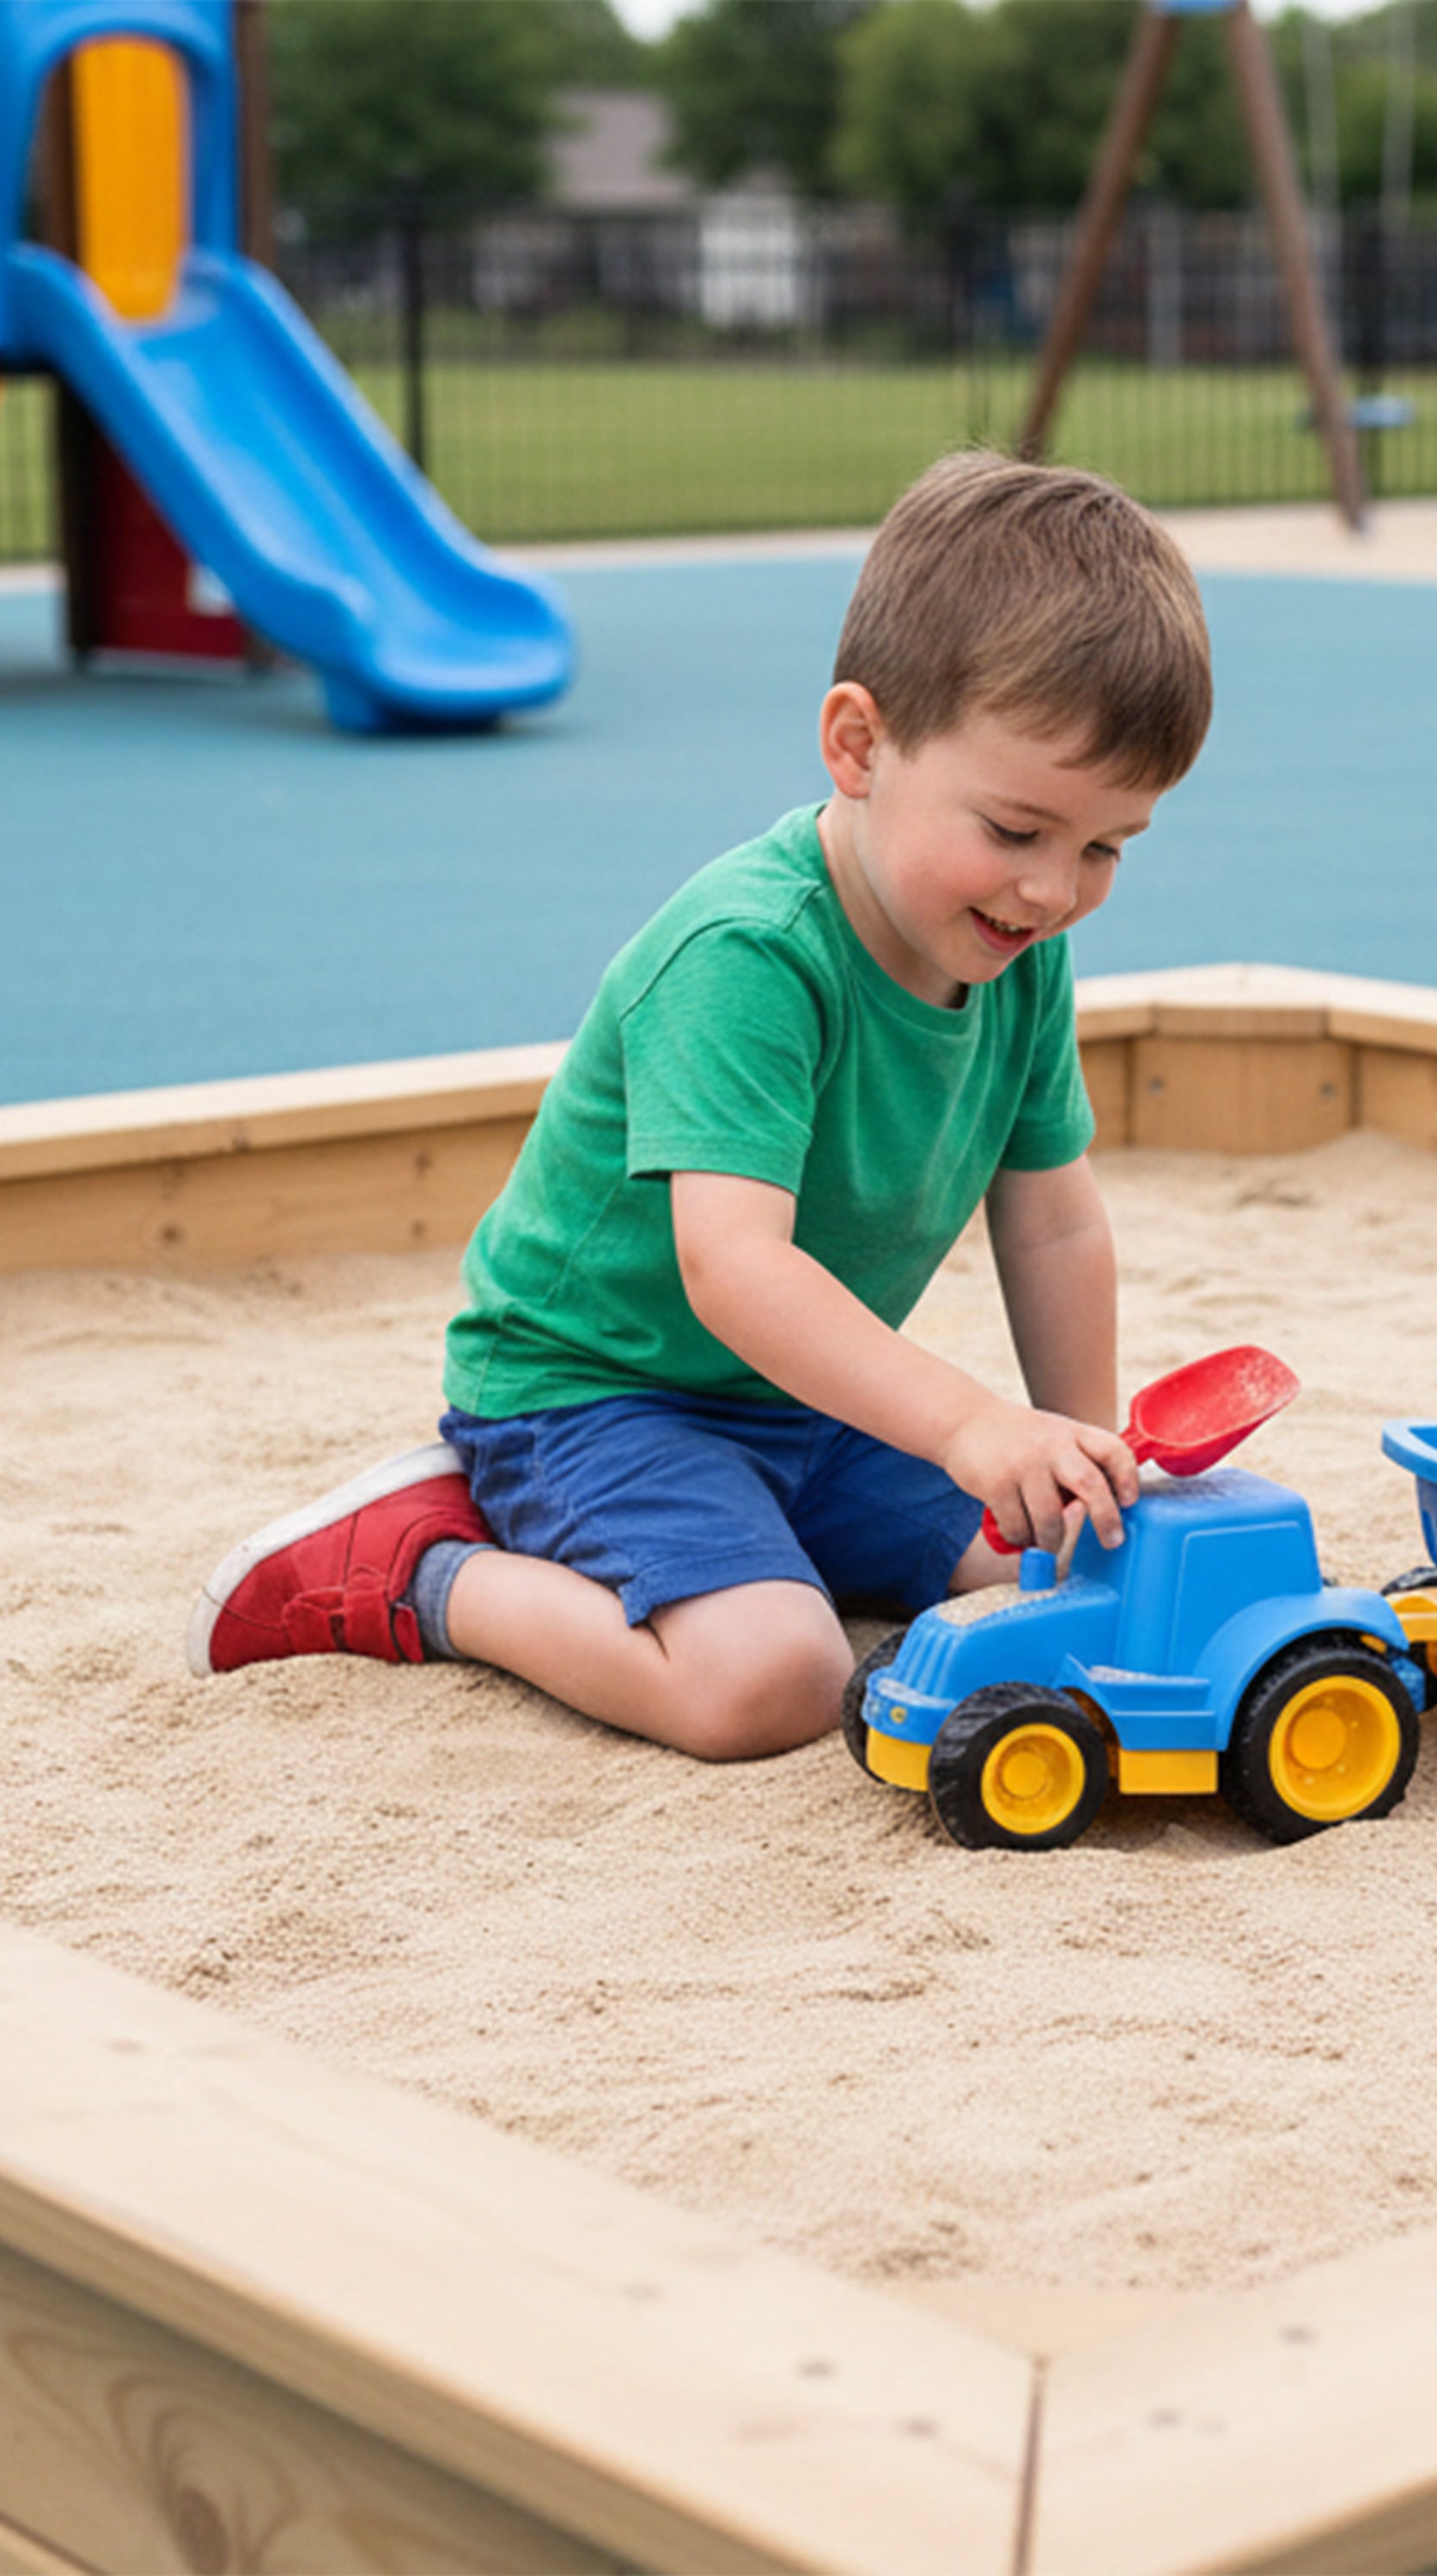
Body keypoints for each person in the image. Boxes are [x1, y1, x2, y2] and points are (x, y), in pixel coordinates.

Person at [186, 453, 1213, 1761]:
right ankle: (416, 1568)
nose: (1054, 891)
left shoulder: (1019, 952)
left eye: (1106, 847)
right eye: (1016, 831)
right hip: (596, 1394)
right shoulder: (749, 953)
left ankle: (765, 1532)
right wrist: (967, 1421)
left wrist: (1083, 1466)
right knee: (771, 1680)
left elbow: (1055, 1224)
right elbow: (734, 1271)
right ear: (859, 745)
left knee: (1025, 1575)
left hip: (799, 1411)